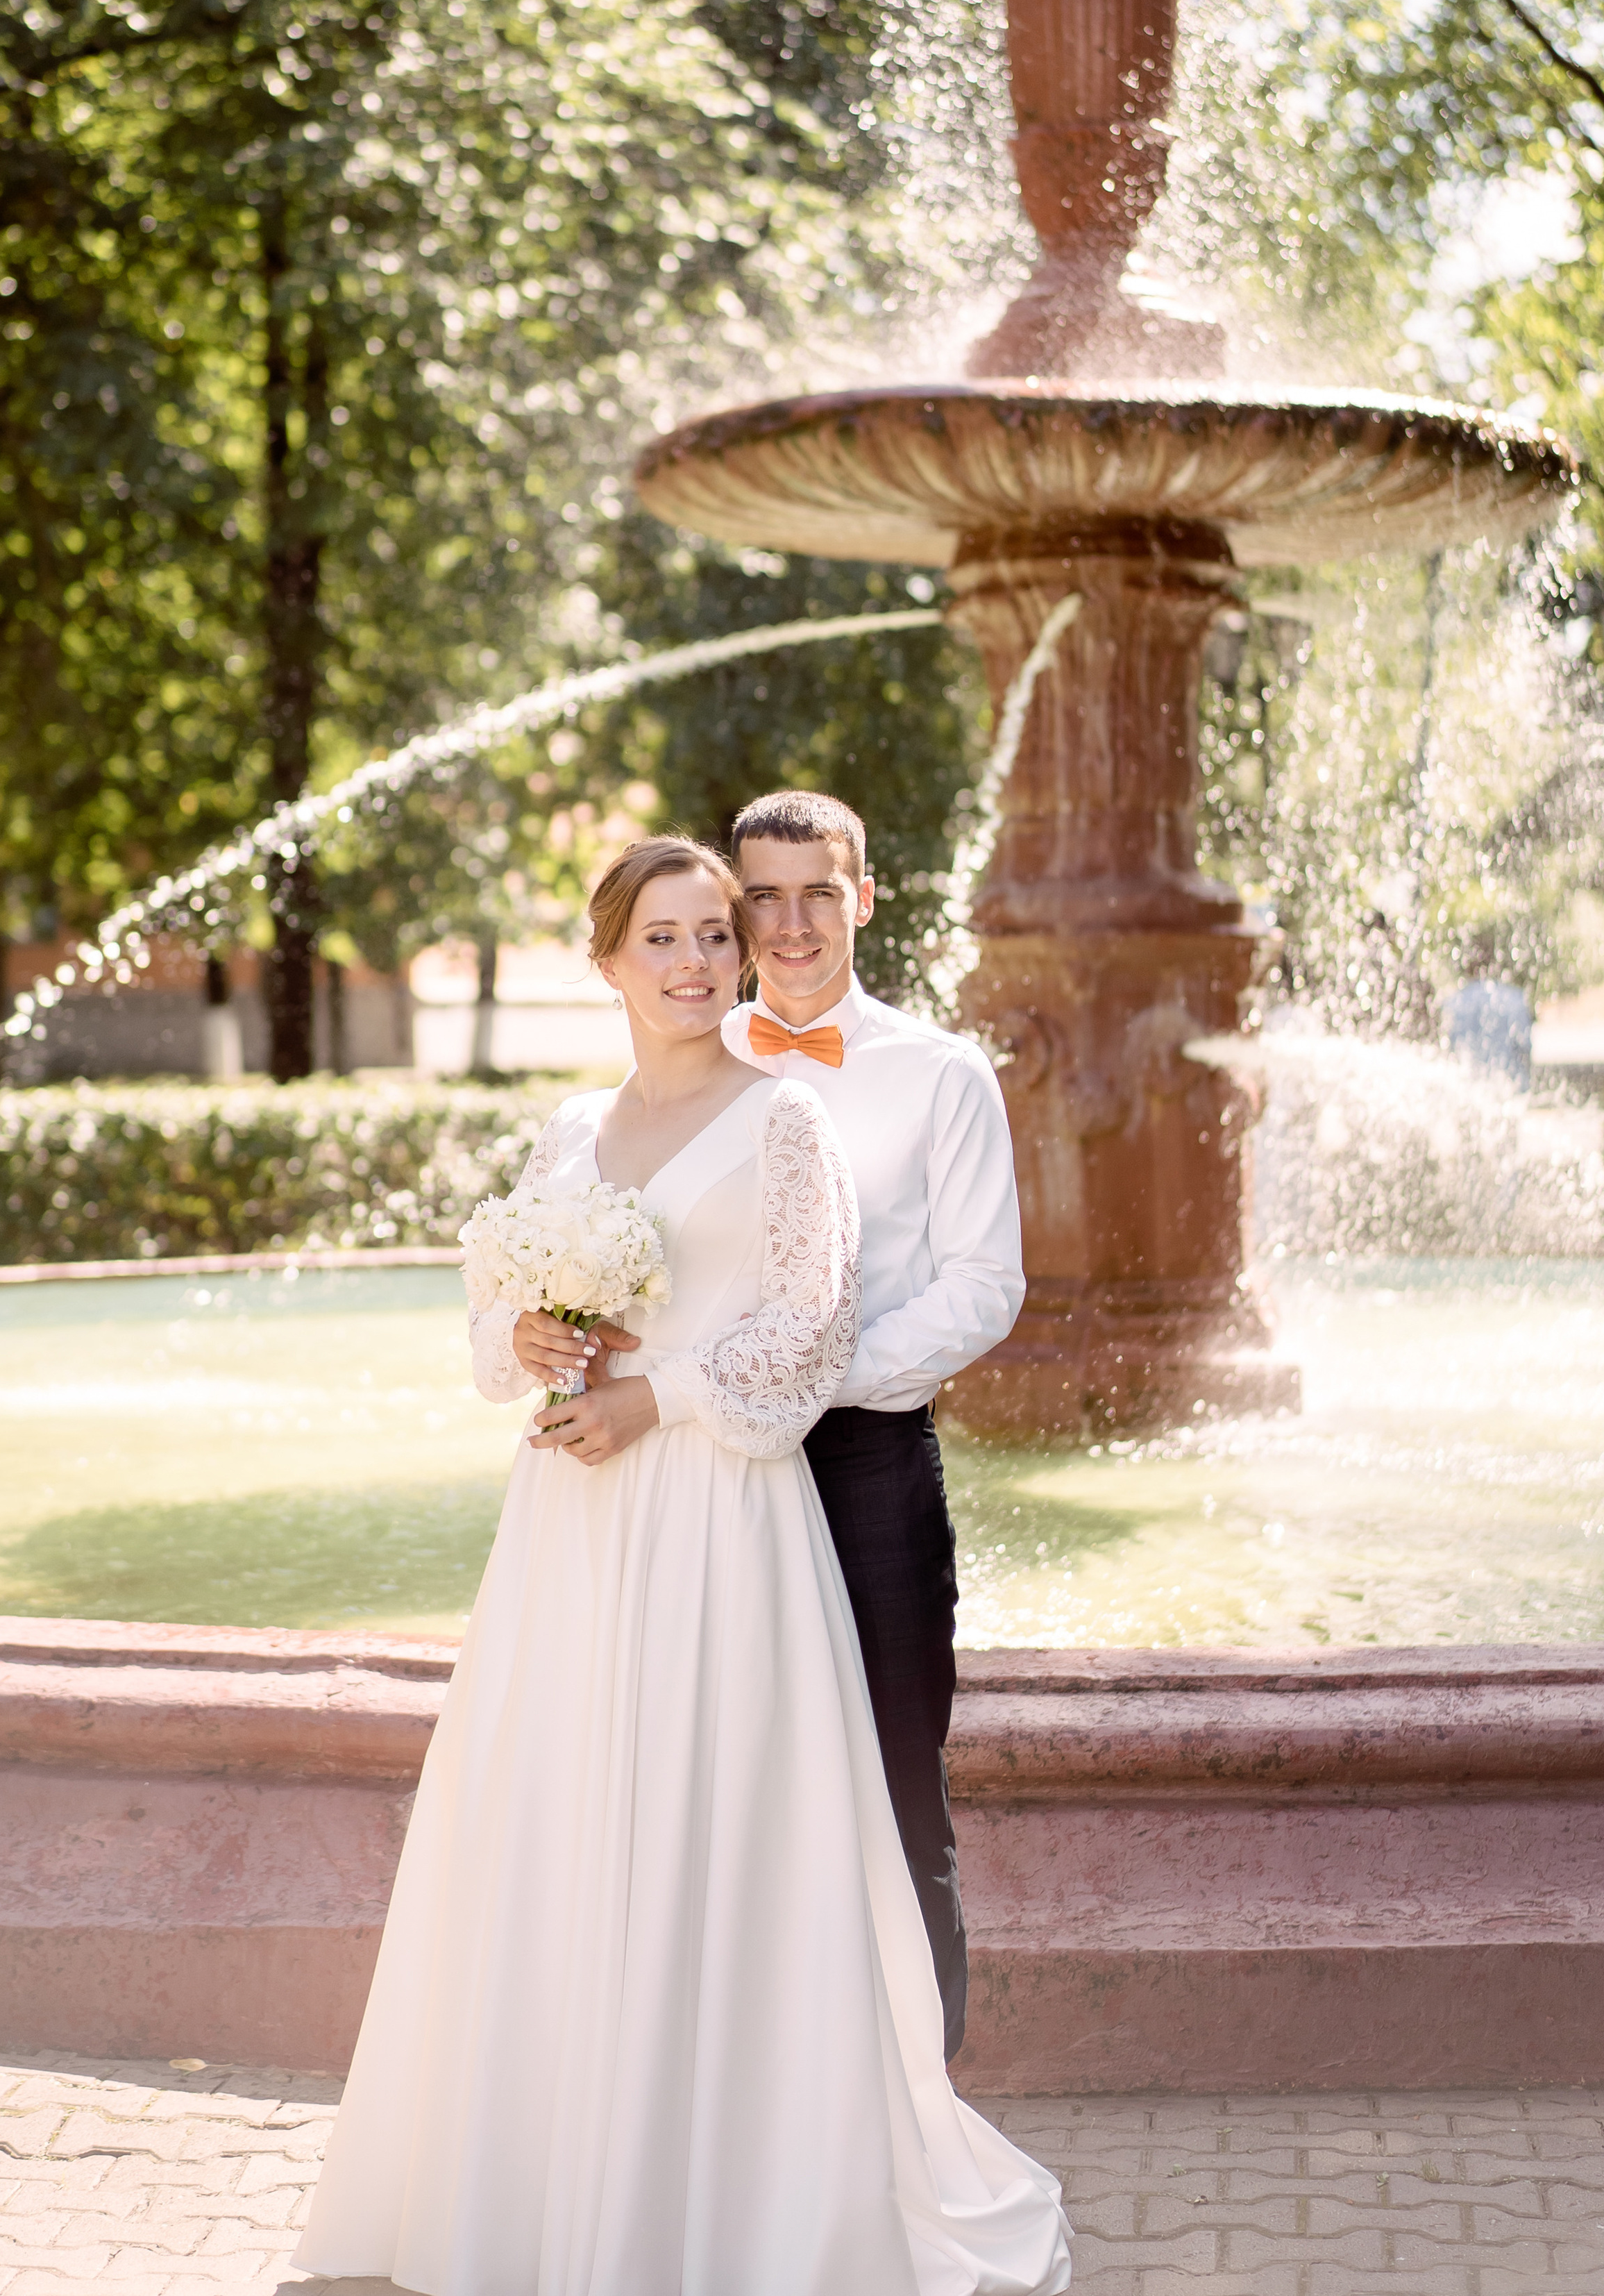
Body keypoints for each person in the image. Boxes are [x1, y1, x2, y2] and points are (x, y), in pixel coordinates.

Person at [294, 834, 1071, 2296]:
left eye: (715, 936)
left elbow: (807, 1333)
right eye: (666, 938)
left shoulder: (788, 1124)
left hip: (718, 1516)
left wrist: (655, 1398)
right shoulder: (567, 1138)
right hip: (573, 1530)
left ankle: (714, 2185)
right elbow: (487, 1322)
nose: (701, 962)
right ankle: (544, 2177)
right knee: (560, 1813)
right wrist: (529, 1344)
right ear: (606, 961)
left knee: (717, 1822)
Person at [730, 787, 1024, 2063]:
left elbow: (983, 1285)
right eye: (763, 896)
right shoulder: (681, 1066)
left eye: (818, 892)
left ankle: (919, 2105)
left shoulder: (939, 1073)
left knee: (901, 1789)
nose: (791, 925)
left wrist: (809, 1375)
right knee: (726, 1781)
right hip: (709, 1474)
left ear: (863, 897)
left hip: (866, 1471)